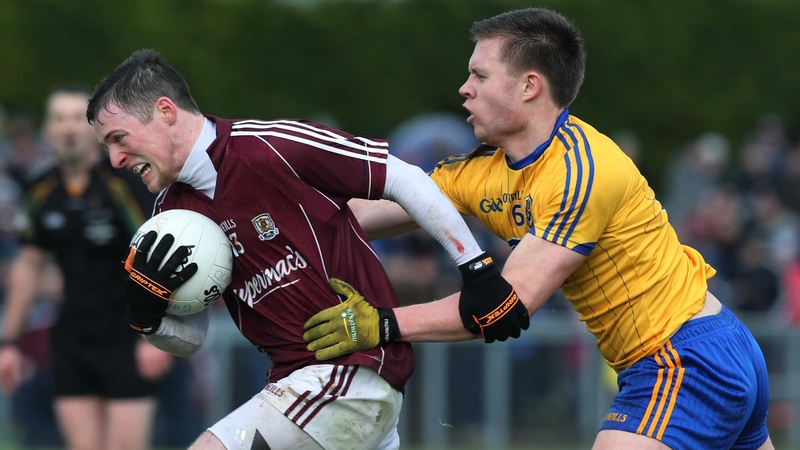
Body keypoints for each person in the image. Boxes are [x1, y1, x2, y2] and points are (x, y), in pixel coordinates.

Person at [303, 8, 774, 450]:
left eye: (480, 75)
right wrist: (260, 215)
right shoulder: (477, 172)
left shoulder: (581, 170)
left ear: (529, 86)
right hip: (700, 348)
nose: (464, 88)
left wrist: (382, 324)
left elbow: (501, 307)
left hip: (682, 358)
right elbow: (351, 218)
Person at [85, 49, 527, 450]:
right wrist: (147, 316)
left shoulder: (267, 146)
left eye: (119, 139)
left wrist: (479, 270)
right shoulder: (170, 217)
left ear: (165, 111)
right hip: (301, 386)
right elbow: (192, 339)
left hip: (350, 375)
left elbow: (403, 177)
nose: (115, 160)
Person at [0, 86, 174, 450]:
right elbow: (29, 266)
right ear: (47, 131)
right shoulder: (40, 190)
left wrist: (155, 334)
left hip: (128, 336)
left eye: (77, 119)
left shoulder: (125, 184)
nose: (68, 128)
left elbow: (155, 255)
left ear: (96, 129)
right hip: (72, 339)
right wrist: (10, 342)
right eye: (58, 118)